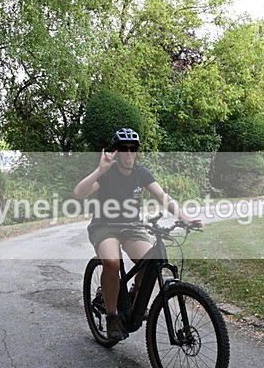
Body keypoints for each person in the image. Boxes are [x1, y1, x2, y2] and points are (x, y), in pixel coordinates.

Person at [73, 128, 201, 340]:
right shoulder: (107, 174)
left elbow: (162, 196)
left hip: (132, 226)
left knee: (151, 260)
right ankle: (112, 315)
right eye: (124, 149)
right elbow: (78, 193)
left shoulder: (141, 173)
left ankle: (133, 296)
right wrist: (100, 170)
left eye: (133, 149)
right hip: (105, 226)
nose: (129, 153)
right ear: (116, 152)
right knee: (112, 263)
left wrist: (184, 217)